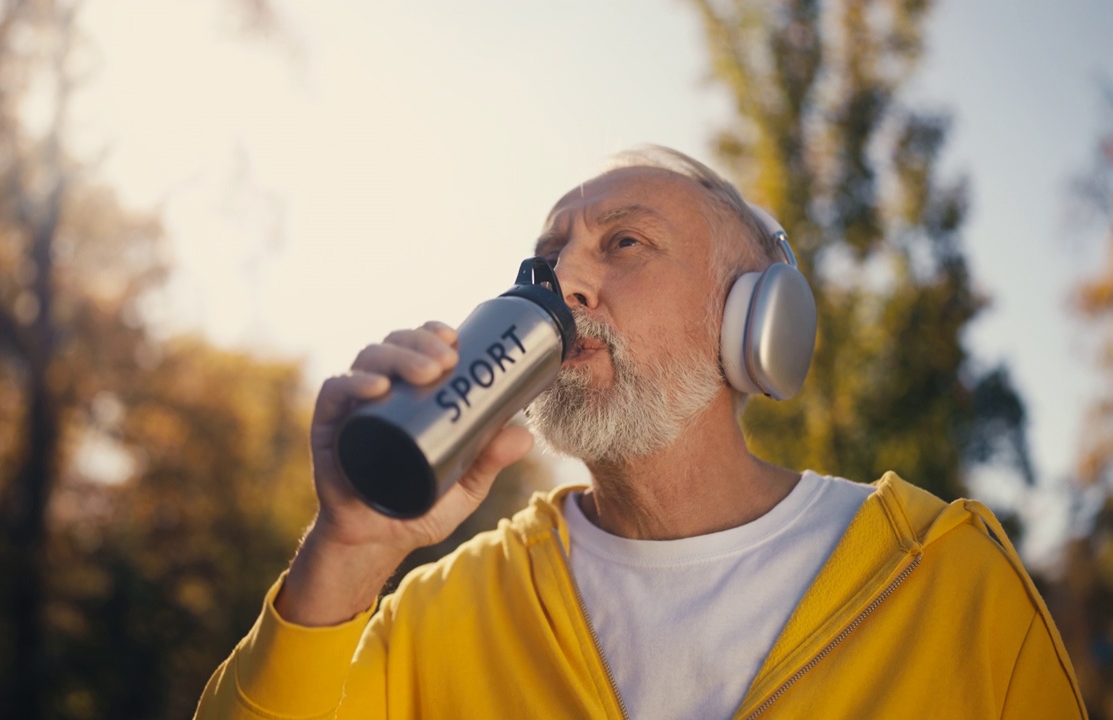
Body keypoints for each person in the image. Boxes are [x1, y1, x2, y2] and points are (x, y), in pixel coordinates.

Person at [193, 146, 1086, 719]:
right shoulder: (447, 614)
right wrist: (345, 551)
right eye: (546, 259)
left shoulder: (944, 580)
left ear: (753, 325)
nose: (564, 278)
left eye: (625, 244)